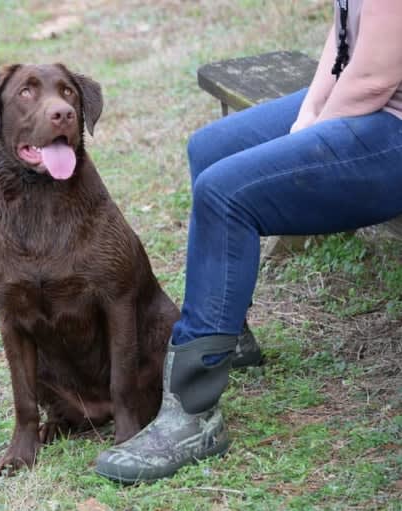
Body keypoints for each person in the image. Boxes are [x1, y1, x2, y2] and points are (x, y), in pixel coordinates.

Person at [95, 0, 402, 484]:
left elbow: (373, 81)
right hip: (368, 105)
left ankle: (194, 414)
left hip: (393, 132)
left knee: (225, 193)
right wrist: (308, 115)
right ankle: (228, 330)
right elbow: (343, 37)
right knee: (212, 148)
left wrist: (308, 139)